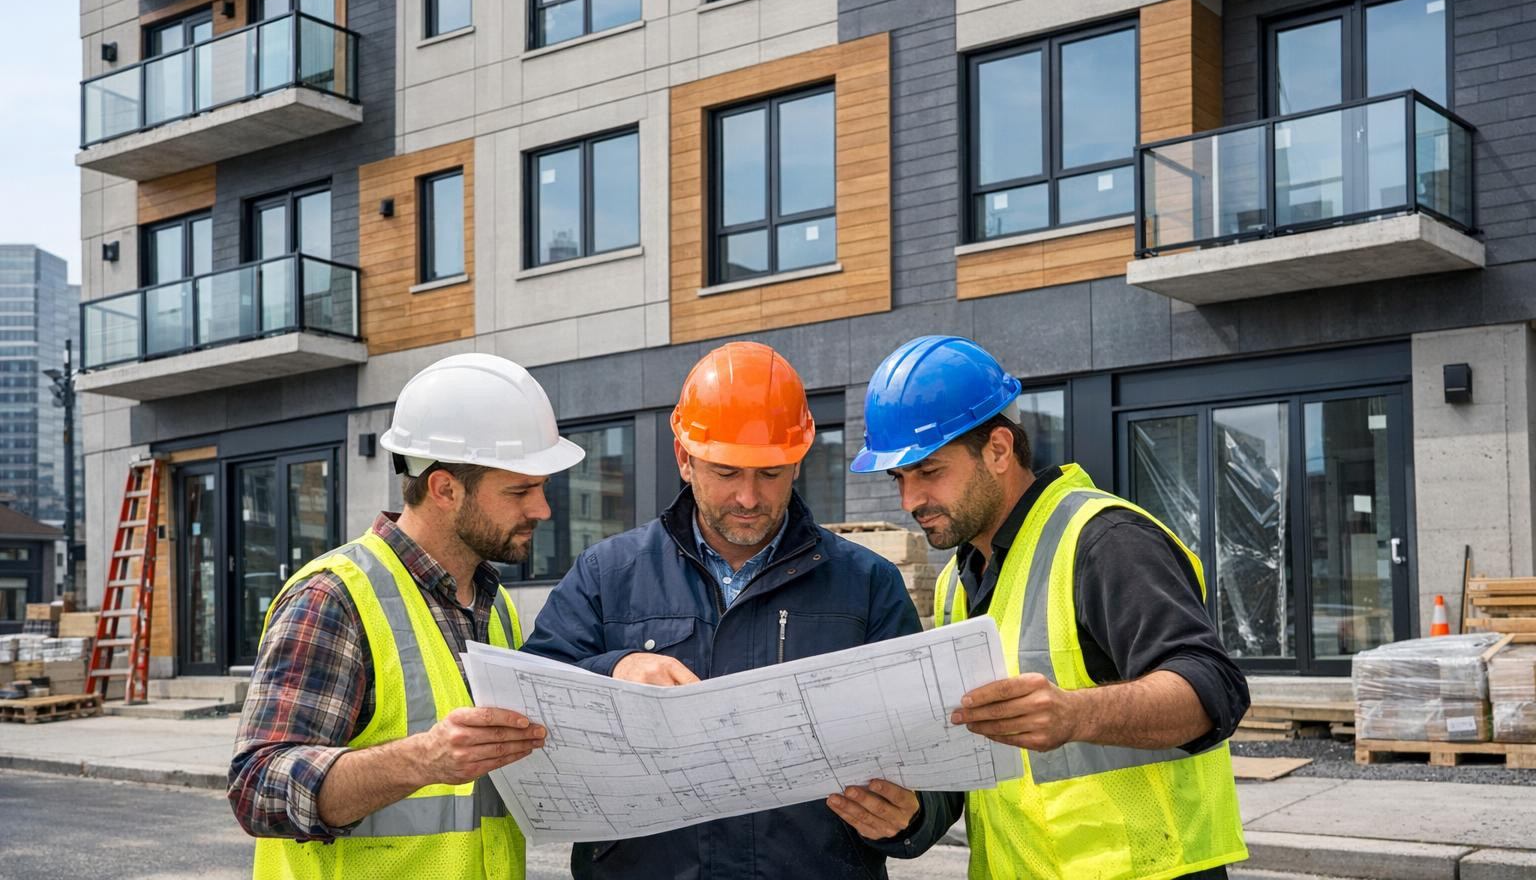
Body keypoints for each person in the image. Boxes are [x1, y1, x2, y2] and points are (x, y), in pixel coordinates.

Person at [523, 341, 953, 878]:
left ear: (797, 462)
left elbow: (939, 756)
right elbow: (529, 700)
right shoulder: (606, 575)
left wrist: (912, 817)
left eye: (770, 473)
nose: (749, 498)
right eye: (727, 473)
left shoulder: (868, 586)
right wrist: (614, 669)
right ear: (685, 459)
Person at [850, 336, 1251, 880]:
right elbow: (975, 766)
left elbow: (1213, 689)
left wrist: (1076, 714)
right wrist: (909, 817)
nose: (909, 500)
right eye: (899, 478)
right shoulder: (955, 585)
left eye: (929, 471)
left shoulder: (1104, 541)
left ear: (997, 450)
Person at [229, 353, 585, 879]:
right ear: (444, 489)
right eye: (520, 490)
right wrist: (424, 759)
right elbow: (258, 789)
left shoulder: (495, 605)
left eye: (542, 488)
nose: (542, 509)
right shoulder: (335, 598)